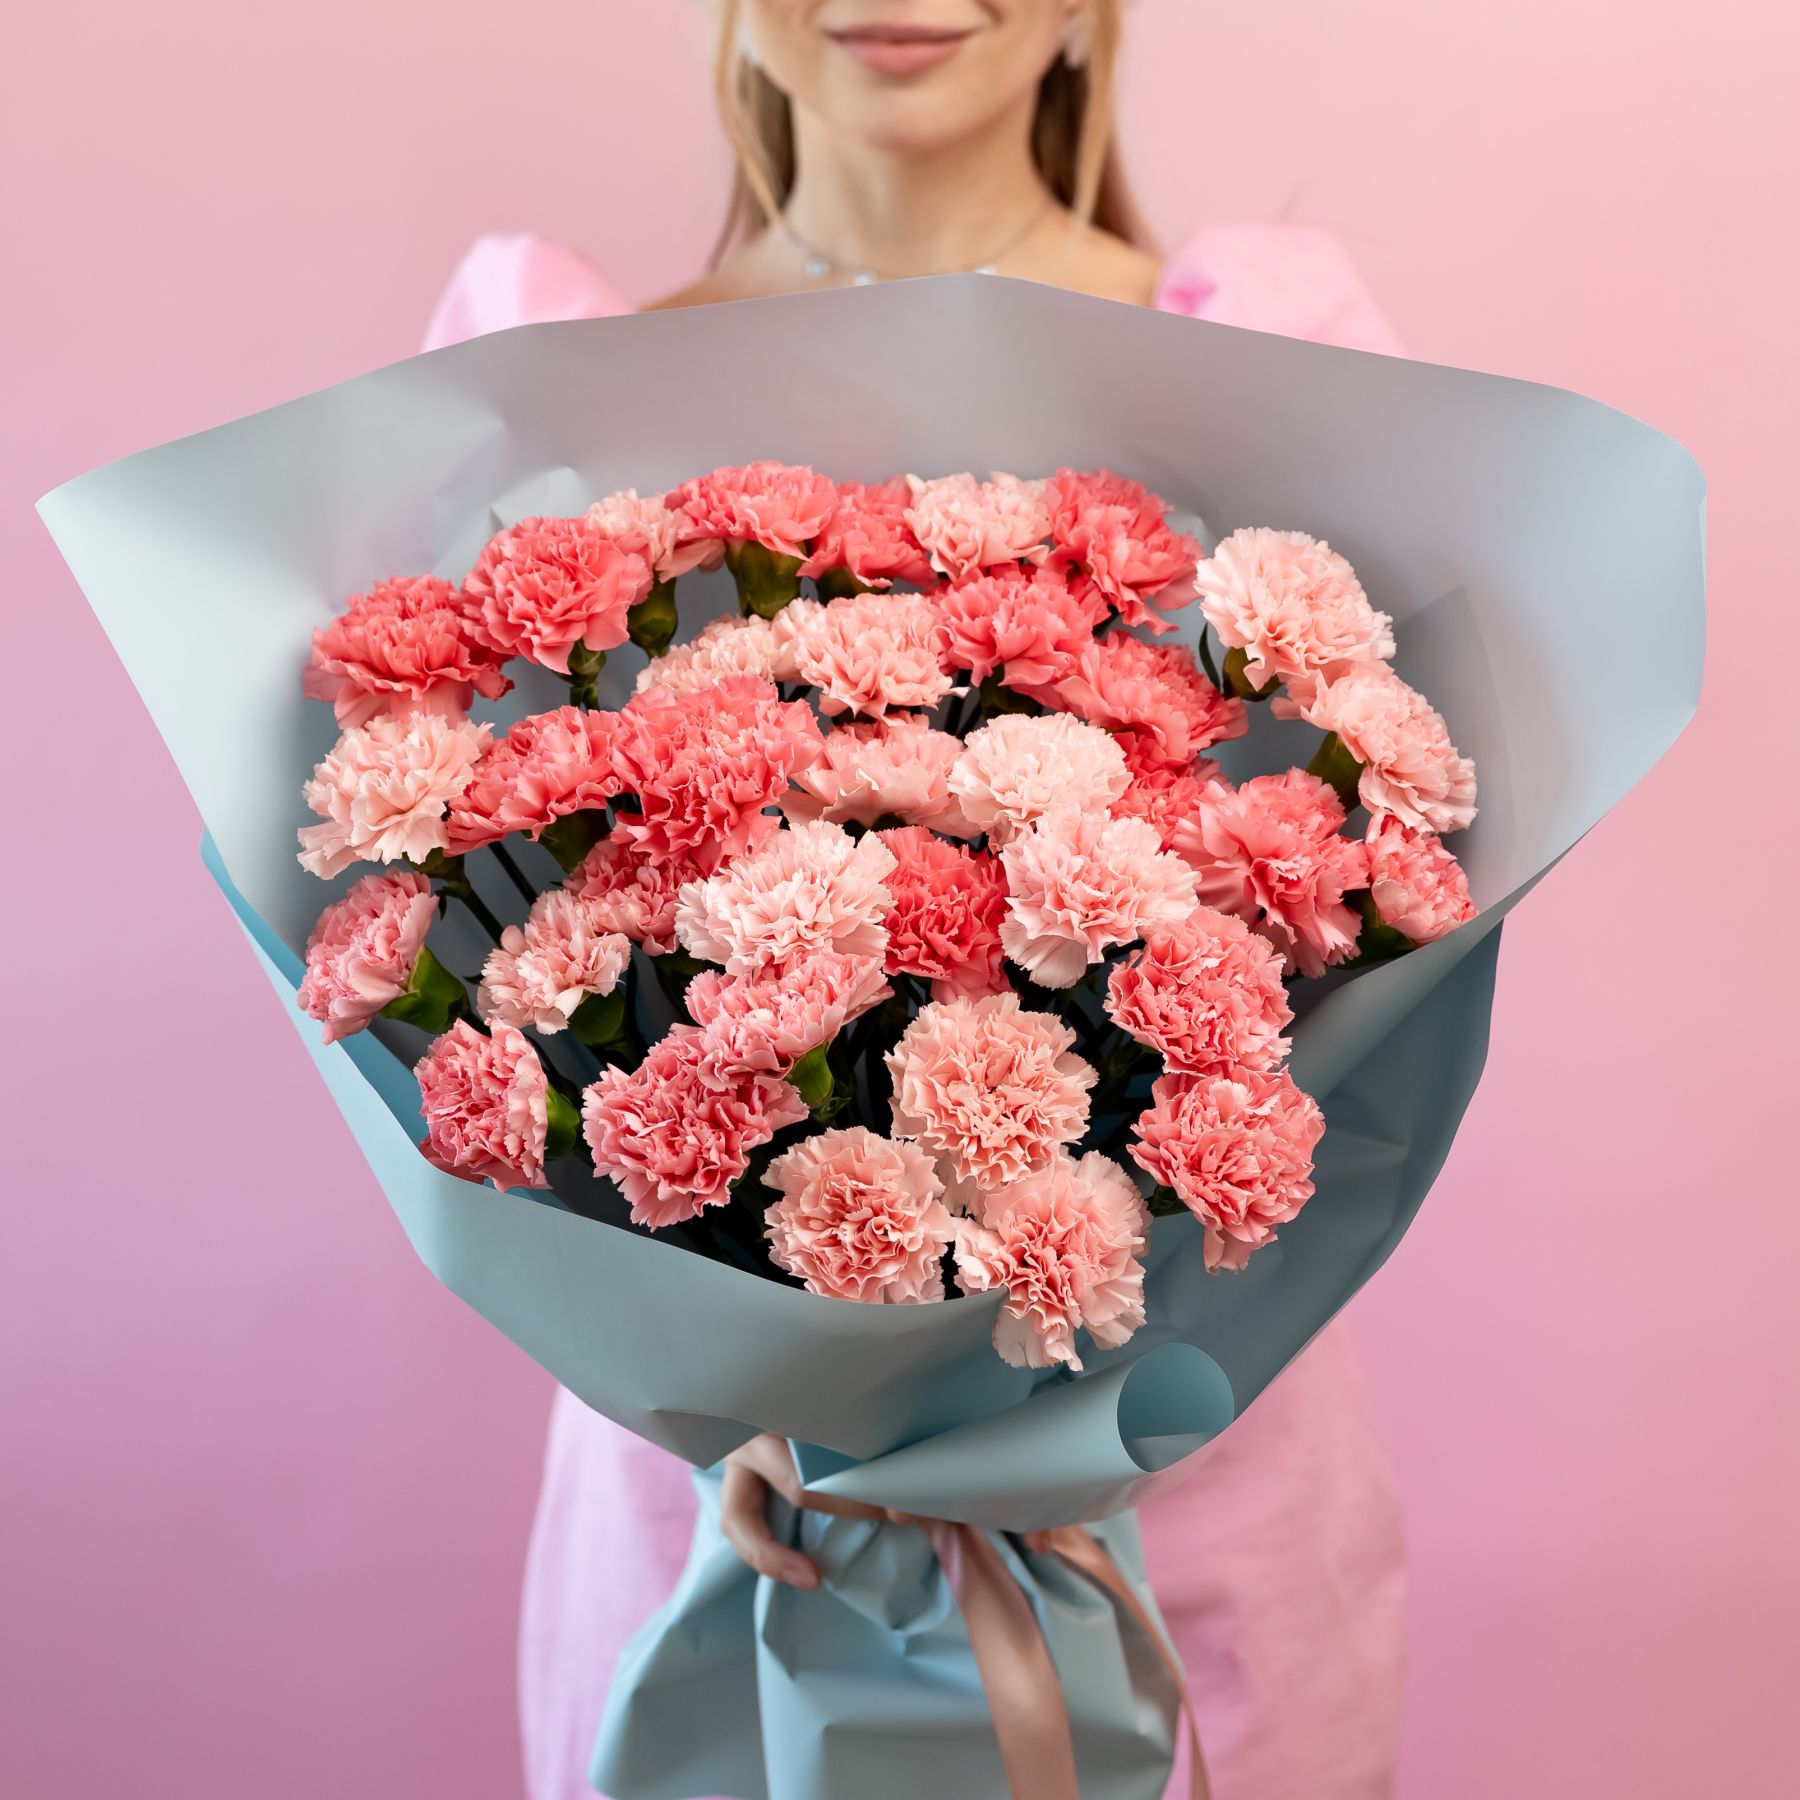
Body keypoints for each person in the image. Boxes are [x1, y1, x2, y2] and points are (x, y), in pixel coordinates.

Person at [425, 5, 1409, 1795]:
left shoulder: (1272, 357)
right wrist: (739, 1378)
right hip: (721, 1519)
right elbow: (448, 933)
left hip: (1176, 1481)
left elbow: (1388, 925)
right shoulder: (544, 389)